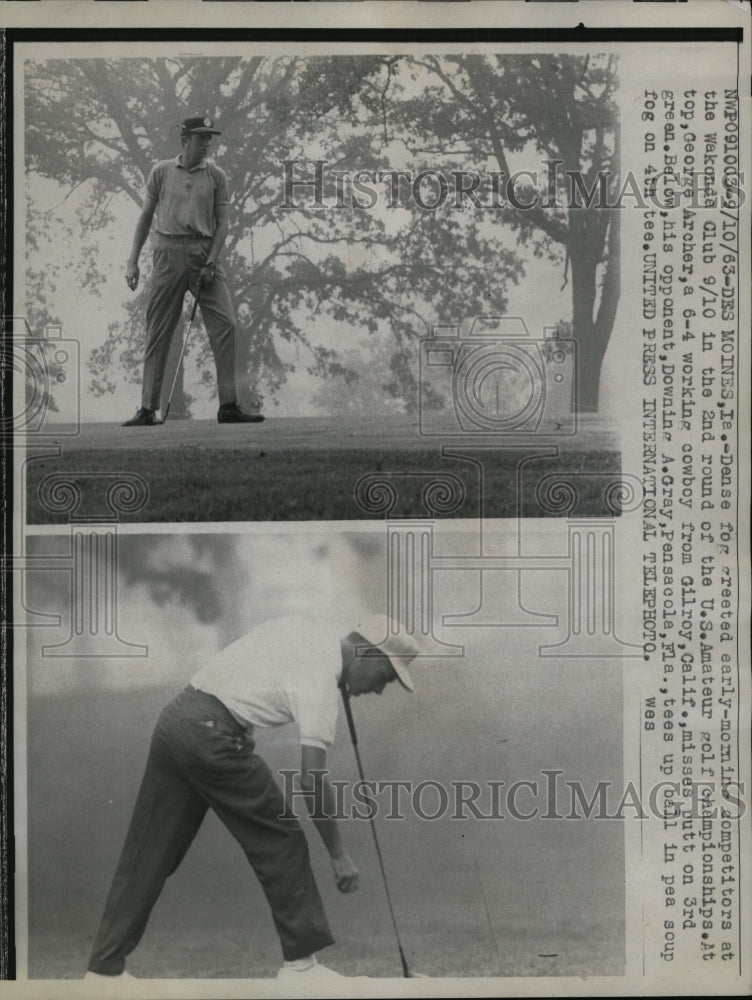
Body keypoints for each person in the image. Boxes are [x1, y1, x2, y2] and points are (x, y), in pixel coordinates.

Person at [84, 614, 419, 984]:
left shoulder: (311, 630)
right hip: (213, 736)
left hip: (176, 720)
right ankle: (301, 970)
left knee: (150, 850)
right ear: (368, 653)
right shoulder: (322, 682)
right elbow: (311, 778)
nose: (379, 690)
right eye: (385, 677)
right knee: (282, 837)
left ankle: (103, 969)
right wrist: (338, 855)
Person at [122, 115, 262, 426]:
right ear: (185, 140)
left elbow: (223, 223)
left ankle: (228, 406)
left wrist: (211, 261)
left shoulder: (216, 175)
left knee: (226, 324)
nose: (207, 144)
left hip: (203, 254)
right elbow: (145, 217)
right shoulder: (161, 171)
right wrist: (132, 261)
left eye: (209, 138)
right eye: (201, 138)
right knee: (158, 329)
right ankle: (147, 409)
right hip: (167, 253)